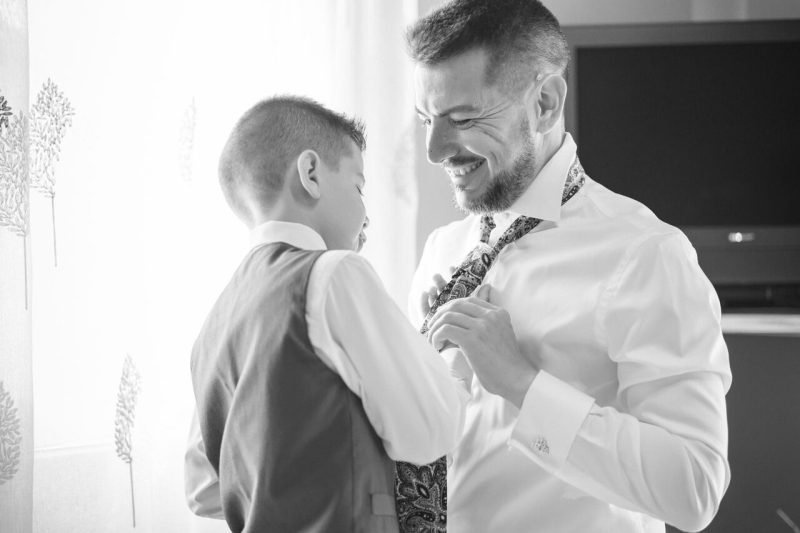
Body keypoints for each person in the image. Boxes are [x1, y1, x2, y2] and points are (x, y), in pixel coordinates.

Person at [404, 1, 732, 532]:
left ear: (545, 103)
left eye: (462, 119)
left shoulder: (645, 254)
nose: (435, 150)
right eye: (427, 120)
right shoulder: (444, 248)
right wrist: (420, 369)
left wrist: (521, 383)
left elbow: (694, 488)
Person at [185, 96, 468, 533]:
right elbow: (432, 428)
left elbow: (204, 489)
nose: (366, 213)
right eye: (358, 186)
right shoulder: (335, 273)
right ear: (311, 173)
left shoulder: (215, 321)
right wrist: (444, 358)